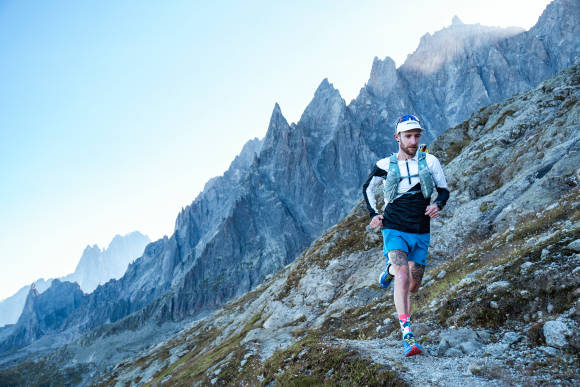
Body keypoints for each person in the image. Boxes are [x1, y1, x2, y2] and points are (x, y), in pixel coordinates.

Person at [362, 114, 450, 357]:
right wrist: (374, 214)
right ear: (397, 137)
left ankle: (388, 271)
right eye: (408, 136)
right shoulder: (384, 164)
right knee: (402, 274)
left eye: (417, 135)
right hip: (394, 226)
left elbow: (443, 191)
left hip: (421, 229)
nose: (413, 140)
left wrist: (438, 206)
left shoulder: (430, 161)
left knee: (413, 285)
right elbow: (367, 187)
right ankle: (407, 335)